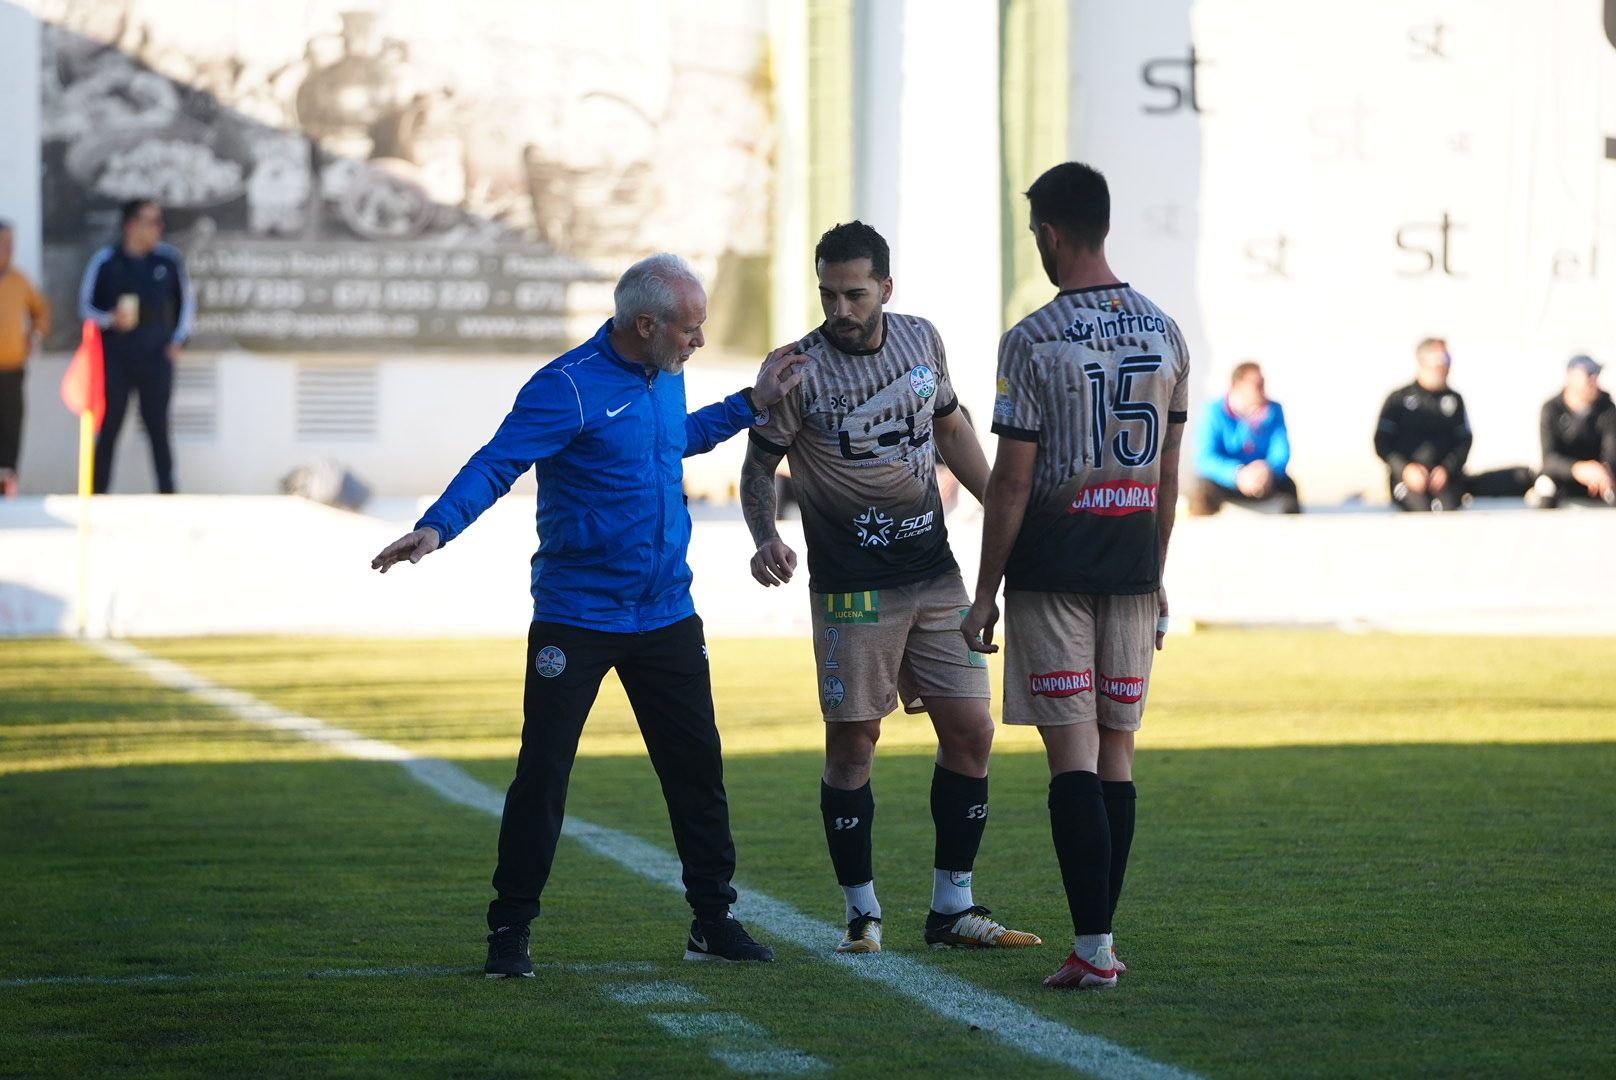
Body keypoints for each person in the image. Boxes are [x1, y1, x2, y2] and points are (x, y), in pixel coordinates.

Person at [371, 254, 805, 976]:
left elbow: (676, 441)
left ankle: (712, 921)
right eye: (691, 330)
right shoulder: (565, 388)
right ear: (646, 325)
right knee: (542, 774)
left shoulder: (665, 374)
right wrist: (437, 527)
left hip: (666, 612)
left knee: (697, 770)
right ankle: (509, 932)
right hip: (577, 617)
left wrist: (749, 402)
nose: (698, 341)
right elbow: (495, 463)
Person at [740, 222, 1041, 956]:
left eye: (854, 293)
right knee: (855, 742)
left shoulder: (921, 341)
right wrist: (765, 537)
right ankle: (861, 913)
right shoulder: (795, 371)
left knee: (972, 730)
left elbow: (952, 428)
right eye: (828, 293)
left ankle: (952, 909)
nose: (839, 308)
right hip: (852, 589)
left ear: (886, 289)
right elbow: (756, 469)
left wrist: (1008, 506)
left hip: (935, 575)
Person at [963, 161, 1190, 990]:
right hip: (1132, 568)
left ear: (1052, 233)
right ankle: (1099, 940)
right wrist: (1157, 576)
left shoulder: (1030, 341)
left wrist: (985, 592)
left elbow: (1012, 483)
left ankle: (1095, 948)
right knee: (1119, 756)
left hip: (1055, 569)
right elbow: (1167, 480)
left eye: (1035, 235)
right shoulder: (1166, 331)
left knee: (1075, 762)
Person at [78, 198, 194, 493]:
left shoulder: (167, 260)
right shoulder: (107, 260)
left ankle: (168, 494)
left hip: (155, 356)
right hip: (115, 359)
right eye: (151, 221)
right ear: (132, 225)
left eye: (159, 222)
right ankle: (97, 494)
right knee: (108, 428)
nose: (158, 228)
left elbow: (187, 302)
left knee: (158, 428)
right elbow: (86, 307)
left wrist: (178, 340)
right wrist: (109, 318)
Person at [1373, 338, 1471, 512]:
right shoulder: (1398, 399)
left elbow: (1464, 440)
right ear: (1424, 361)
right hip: (1408, 479)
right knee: (1420, 509)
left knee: (1447, 508)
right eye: (1443, 359)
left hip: (1444, 479)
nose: (1447, 365)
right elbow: (1382, 442)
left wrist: (1447, 469)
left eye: (1449, 359)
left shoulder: (1454, 400)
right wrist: (1405, 469)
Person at [1189, 361, 1300, 515]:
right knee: (1200, 491)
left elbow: (1281, 451)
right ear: (1236, 386)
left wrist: (1268, 469)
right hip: (1228, 481)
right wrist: (1237, 474)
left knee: (1289, 489)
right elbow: (1205, 458)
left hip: (1263, 480)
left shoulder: (1273, 410)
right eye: (1257, 385)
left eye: (1263, 384)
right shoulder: (1213, 411)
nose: (1262, 390)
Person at [0, 220, 50, 496]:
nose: (6, 249)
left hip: (11, 369)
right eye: (1, 243)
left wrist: (35, 336)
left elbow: (41, 312)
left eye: (10, 244)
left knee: (10, 427)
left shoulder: (20, 281)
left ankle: (8, 486)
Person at [1530, 355, 1615, 508]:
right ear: (1570, 376)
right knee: (1545, 487)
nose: (1594, 380)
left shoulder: (1607, 408)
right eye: (1588, 374)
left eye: (1596, 375)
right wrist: (1578, 469)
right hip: (1564, 476)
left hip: (1597, 480)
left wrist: (1603, 470)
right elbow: (1549, 458)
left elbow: (1611, 450)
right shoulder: (1552, 408)